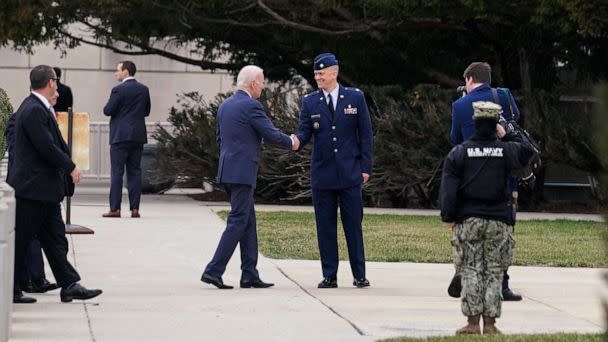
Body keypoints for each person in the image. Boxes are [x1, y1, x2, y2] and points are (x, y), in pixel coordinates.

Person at [8, 65, 102, 303]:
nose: (58, 88)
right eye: (56, 83)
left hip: (43, 190)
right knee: (22, 241)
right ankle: (11, 289)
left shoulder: (38, 107)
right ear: (51, 82)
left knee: (55, 239)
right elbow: (46, 146)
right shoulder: (33, 109)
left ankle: (69, 284)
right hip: (33, 189)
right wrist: (70, 166)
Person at [200, 65, 299, 289]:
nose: (263, 87)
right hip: (243, 172)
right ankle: (213, 270)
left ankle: (249, 273)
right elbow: (271, 134)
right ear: (253, 83)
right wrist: (292, 142)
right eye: (262, 82)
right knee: (237, 221)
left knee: (247, 221)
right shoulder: (251, 106)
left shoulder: (225, 105)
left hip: (228, 171)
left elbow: (220, 139)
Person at [440, 101, 533, 335]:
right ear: (495, 125)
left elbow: (449, 188)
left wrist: (448, 216)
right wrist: (508, 133)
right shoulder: (506, 151)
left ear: (474, 122)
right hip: (499, 220)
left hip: (468, 220)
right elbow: (528, 151)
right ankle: (490, 324)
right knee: (494, 271)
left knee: (470, 270)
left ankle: (472, 324)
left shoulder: (460, 152)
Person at [295, 53, 373, 288]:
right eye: (316, 73)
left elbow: (366, 135)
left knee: (353, 226)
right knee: (325, 227)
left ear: (334, 72)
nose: (317, 77)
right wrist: (293, 141)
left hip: (350, 173)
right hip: (323, 174)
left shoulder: (355, 98)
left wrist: (366, 168)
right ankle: (329, 275)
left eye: (321, 73)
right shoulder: (310, 101)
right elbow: (304, 132)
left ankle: (359, 275)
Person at [448, 62, 523, 301]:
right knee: (502, 235)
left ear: (469, 79)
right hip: (503, 177)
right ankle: (502, 285)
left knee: (469, 234)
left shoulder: (460, 105)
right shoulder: (504, 96)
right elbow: (516, 121)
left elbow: (455, 138)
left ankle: (468, 278)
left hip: (471, 180)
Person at [5, 90, 62, 294]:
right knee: (26, 238)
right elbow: (19, 150)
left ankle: (42, 279)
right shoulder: (26, 113)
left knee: (45, 236)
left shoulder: (46, 113)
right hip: (28, 186)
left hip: (44, 187)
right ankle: (23, 283)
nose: (57, 94)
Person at [102, 60, 151, 218]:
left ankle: (115, 208)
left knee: (117, 172)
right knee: (135, 172)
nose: (116, 73)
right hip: (137, 135)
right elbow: (147, 111)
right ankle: (135, 208)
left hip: (120, 136)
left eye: (118, 70)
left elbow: (108, 110)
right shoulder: (144, 90)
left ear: (126, 72)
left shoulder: (118, 90)